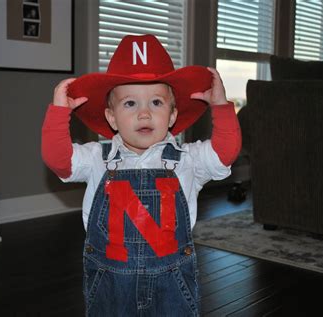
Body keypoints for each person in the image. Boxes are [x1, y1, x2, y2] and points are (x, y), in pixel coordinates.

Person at [41, 34, 241, 316]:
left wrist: (220, 106)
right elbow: (58, 160)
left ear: (172, 115)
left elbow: (225, 152)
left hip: (171, 285)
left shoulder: (187, 159)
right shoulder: (98, 158)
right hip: (111, 284)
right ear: (111, 117)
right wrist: (59, 114)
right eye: (130, 104)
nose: (144, 114)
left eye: (156, 103)